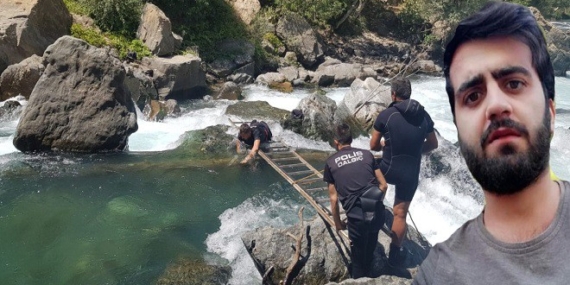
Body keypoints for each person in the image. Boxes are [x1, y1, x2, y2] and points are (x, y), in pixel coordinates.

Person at [414, 2, 570, 284]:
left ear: (550, 111)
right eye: (473, 96)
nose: (496, 106)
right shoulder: (437, 276)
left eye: (513, 83)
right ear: (458, 131)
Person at [369, 77, 438, 267]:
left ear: (393, 94)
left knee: (369, 177)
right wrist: (415, 151)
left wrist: (385, 145)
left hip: (388, 168)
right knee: (400, 214)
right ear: (409, 94)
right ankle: (394, 256)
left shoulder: (387, 115)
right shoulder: (424, 116)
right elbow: (433, 144)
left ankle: (371, 221)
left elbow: (373, 145)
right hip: (410, 172)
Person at [324, 123, 388, 278]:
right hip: (376, 213)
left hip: (356, 218)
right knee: (370, 251)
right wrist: (375, 203)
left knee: (357, 261)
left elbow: (333, 199)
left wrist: (338, 223)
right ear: (351, 139)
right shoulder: (367, 154)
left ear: (336, 142)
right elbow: (384, 186)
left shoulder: (331, 163)